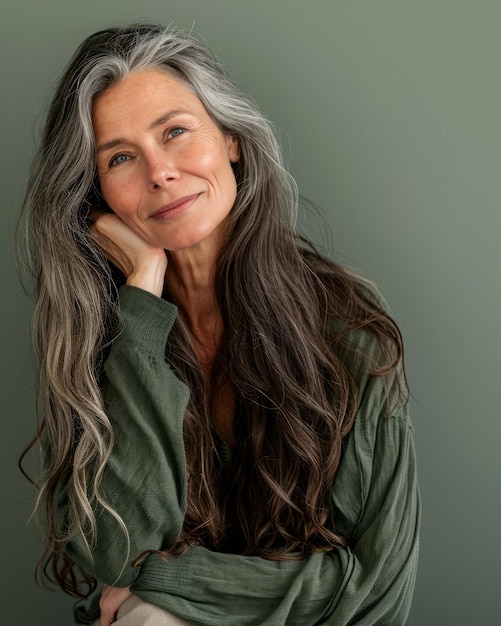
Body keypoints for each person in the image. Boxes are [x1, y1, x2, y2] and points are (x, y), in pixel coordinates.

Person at [19, 23, 420, 626]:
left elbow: (377, 586)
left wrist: (168, 582)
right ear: (97, 195)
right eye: (121, 158)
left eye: (175, 132)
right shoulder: (97, 339)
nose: (160, 172)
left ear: (231, 139)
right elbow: (116, 550)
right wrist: (144, 298)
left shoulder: (347, 323)